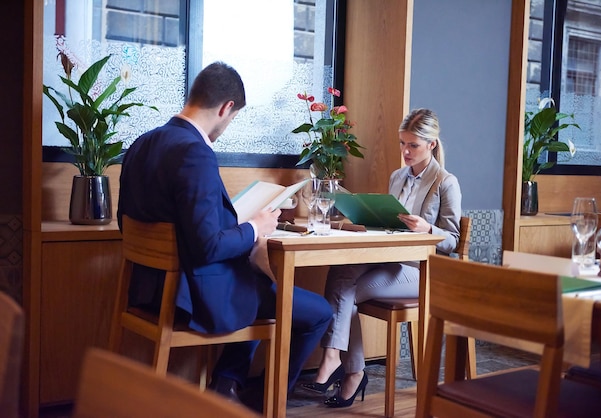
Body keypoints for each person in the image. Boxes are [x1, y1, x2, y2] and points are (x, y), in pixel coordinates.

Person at [117, 61, 333, 409]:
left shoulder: (143, 144)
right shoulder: (195, 153)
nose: (228, 125)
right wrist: (255, 228)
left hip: (147, 288)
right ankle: (261, 402)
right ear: (226, 107)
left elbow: (126, 222)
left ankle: (227, 387)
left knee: (257, 283)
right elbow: (206, 247)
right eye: (233, 118)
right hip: (188, 297)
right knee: (317, 310)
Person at [302, 108, 462, 408]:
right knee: (341, 272)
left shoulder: (445, 182)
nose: (405, 151)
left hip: (422, 269)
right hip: (390, 259)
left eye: (413, 145)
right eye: (402, 143)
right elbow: (390, 223)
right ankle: (342, 364)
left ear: (432, 144)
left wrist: (427, 228)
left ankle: (347, 369)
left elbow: (452, 240)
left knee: (345, 293)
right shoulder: (396, 177)